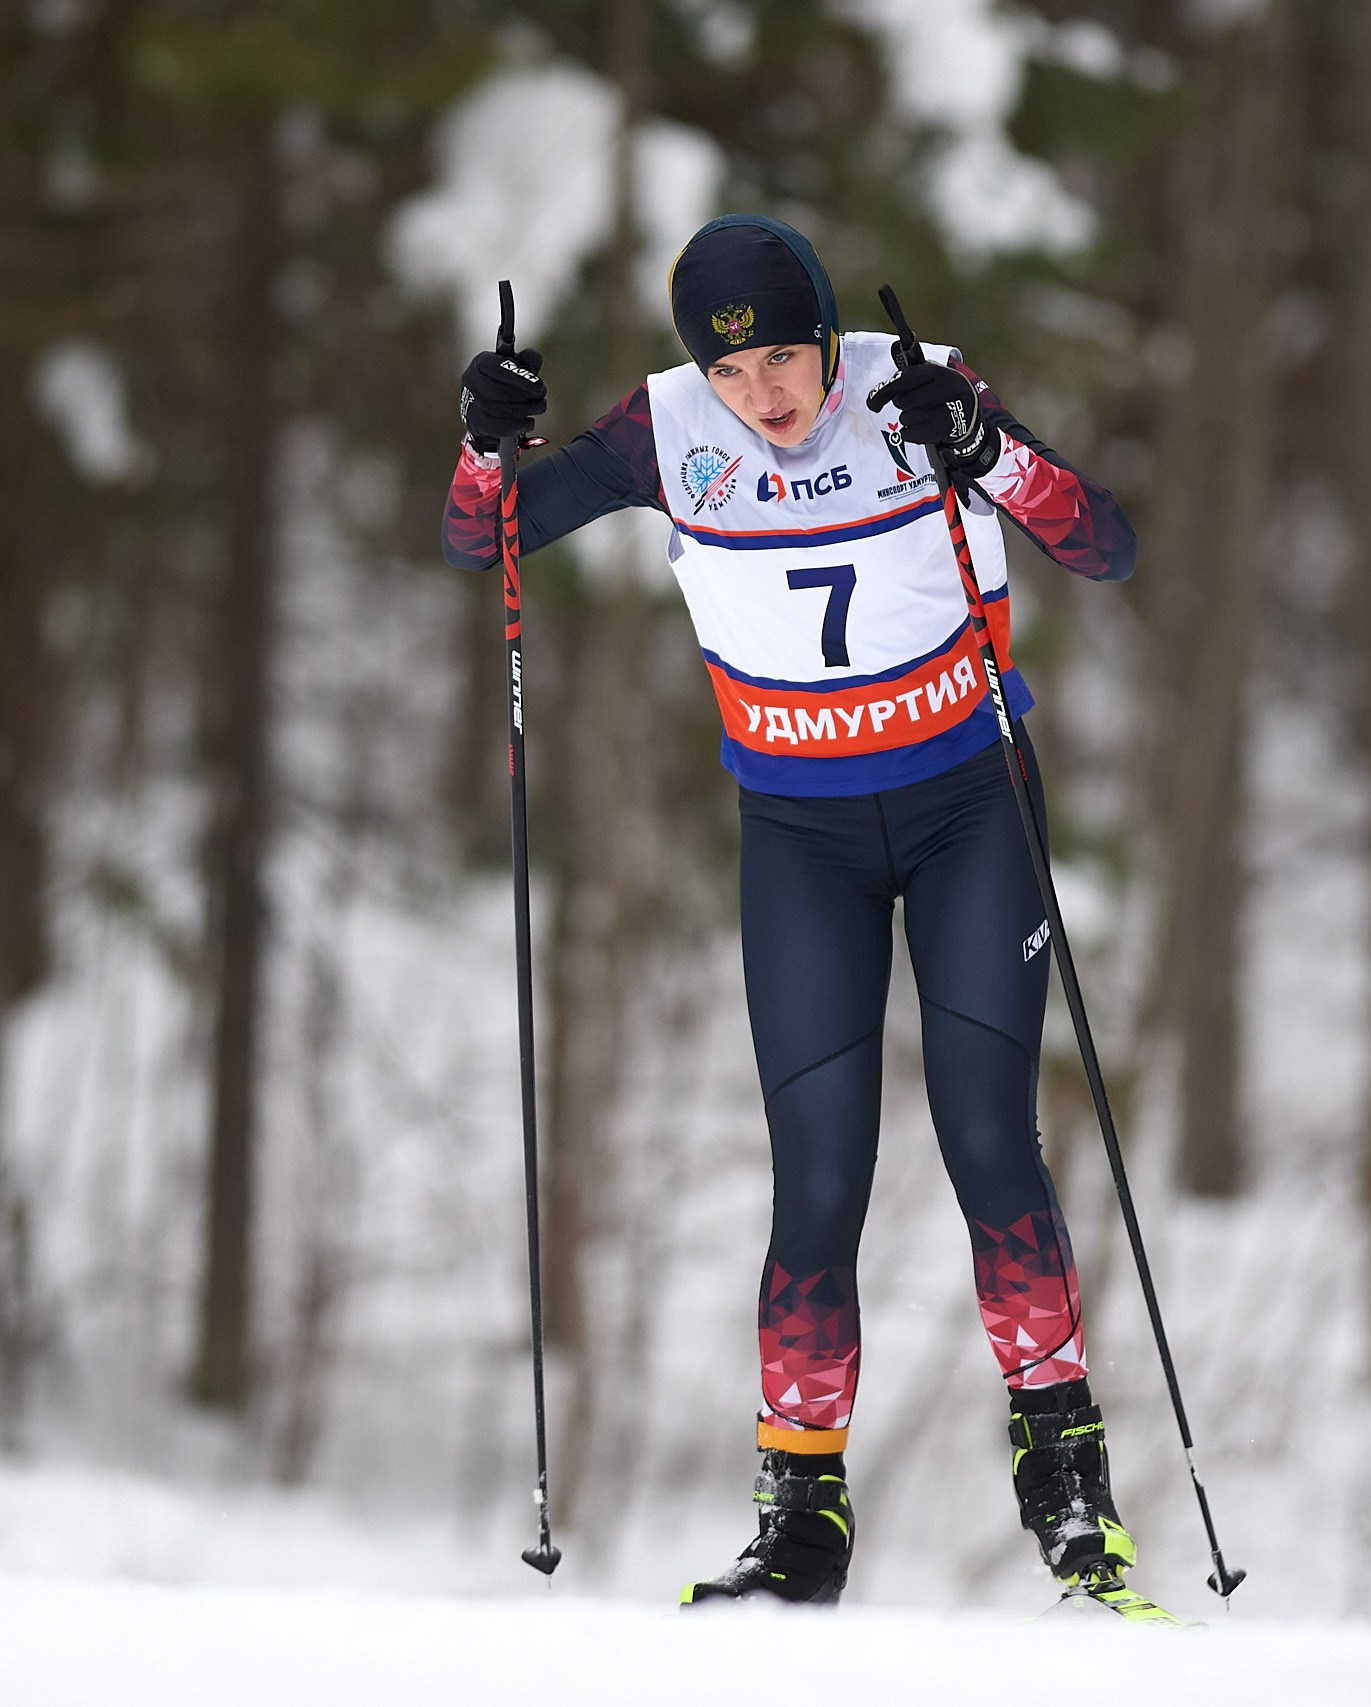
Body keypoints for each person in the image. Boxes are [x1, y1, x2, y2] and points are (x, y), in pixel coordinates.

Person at [442, 214, 1140, 1609]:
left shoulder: (916, 386)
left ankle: (1070, 1497)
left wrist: (983, 449)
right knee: (817, 1174)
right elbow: (491, 543)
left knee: (991, 1140)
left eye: (786, 360)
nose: (765, 397)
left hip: (966, 809)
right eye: (733, 368)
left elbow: (1103, 544)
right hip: (799, 836)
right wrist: (484, 442)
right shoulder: (666, 430)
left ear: (829, 337)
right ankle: (799, 1522)